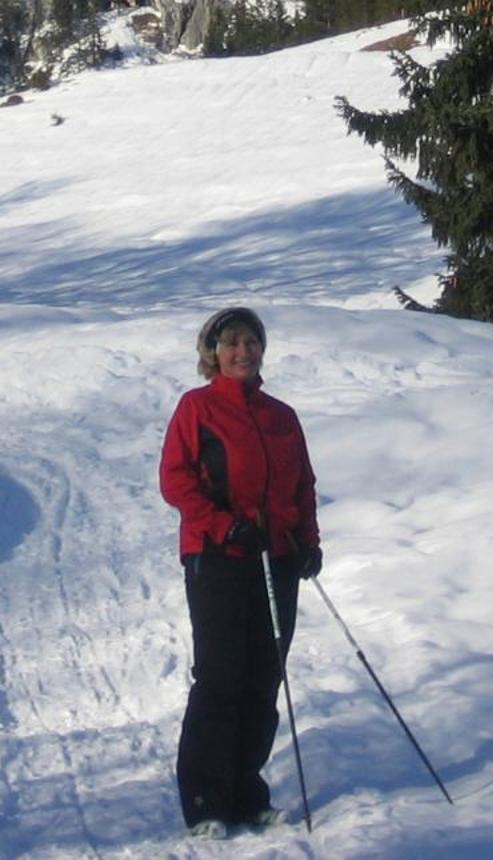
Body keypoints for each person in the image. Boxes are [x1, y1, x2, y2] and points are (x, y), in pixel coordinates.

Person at [159, 305, 322, 836]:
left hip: (275, 558)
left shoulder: (281, 417)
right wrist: (223, 525)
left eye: (250, 342)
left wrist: (307, 544)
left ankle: (246, 793)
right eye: (231, 343)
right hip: (219, 558)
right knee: (221, 676)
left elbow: (302, 487)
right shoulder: (197, 408)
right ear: (213, 354)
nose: (242, 352)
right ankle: (206, 798)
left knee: (262, 677)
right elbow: (176, 480)